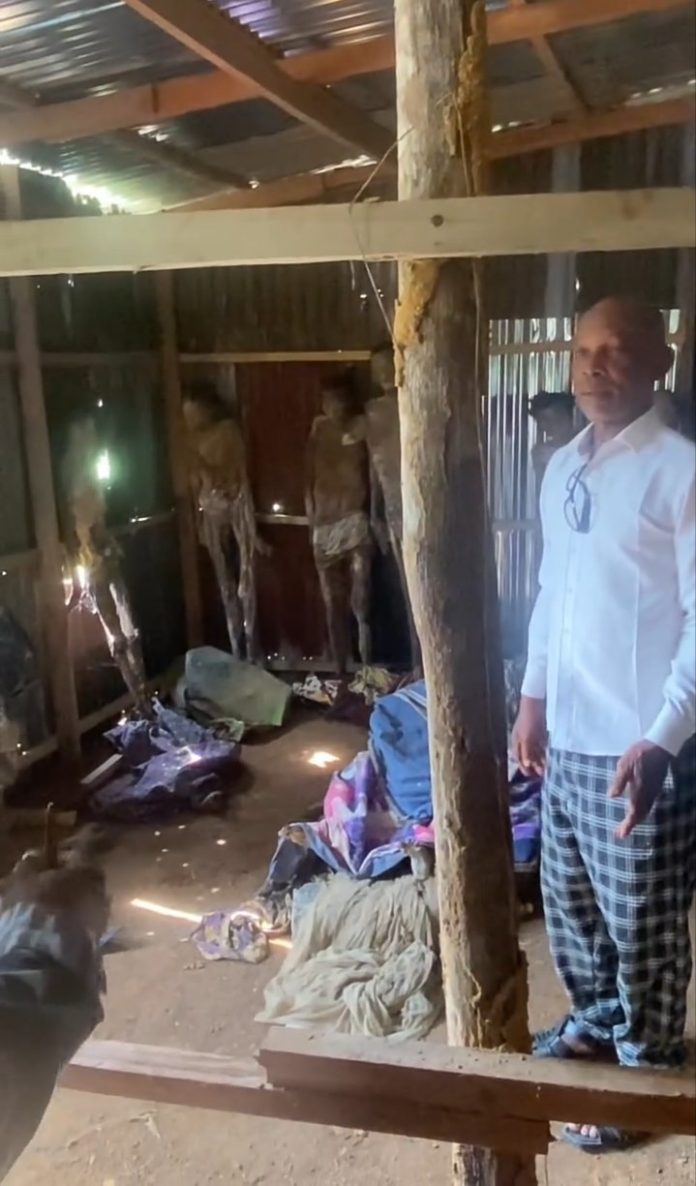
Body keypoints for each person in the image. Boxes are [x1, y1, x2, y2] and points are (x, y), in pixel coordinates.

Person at [513, 297, 695, 1154]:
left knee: (643, 922)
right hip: (571, 736)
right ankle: (595, 1022)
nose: (592, 366)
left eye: (616, 351)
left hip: (643, 744)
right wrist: (532, 699)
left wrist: (664, 737)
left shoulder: (680, 471)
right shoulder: (563, 467)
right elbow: (552, 591)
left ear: (659, 362)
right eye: (584, 349)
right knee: (572, 903)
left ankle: (648, 1073)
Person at [183, 382, 263, 663]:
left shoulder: (228, 432)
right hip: (211, 513)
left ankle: (252, 650)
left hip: (236, 505)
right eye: (186, 415)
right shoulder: (190, 442)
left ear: (207, 410)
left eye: (193, 413)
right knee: (226, 586)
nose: (190, 420)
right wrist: (197, 522)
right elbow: (195, 487)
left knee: (245, 582)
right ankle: (236, 650)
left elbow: (231, 476)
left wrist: (200, 462)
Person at [305, 374, 371, 673]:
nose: (332, 407)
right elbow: (308, 477)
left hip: (354, 518)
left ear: (348, 402)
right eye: (327, 401)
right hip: (324, 522)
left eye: (338, 401)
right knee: (332, 603)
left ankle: (366, 669)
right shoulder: (318, 429)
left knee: (360, 602)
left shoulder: (362, 425)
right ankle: (340, 669)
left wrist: (376, 515)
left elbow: (374, 473)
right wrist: (311, 519)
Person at [528, 390, 576, 490]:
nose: (547, 425)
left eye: (556, 419)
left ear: (570, 417)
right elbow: (543, 488)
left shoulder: (588, 447)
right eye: (542, 420)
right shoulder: (541, 453)